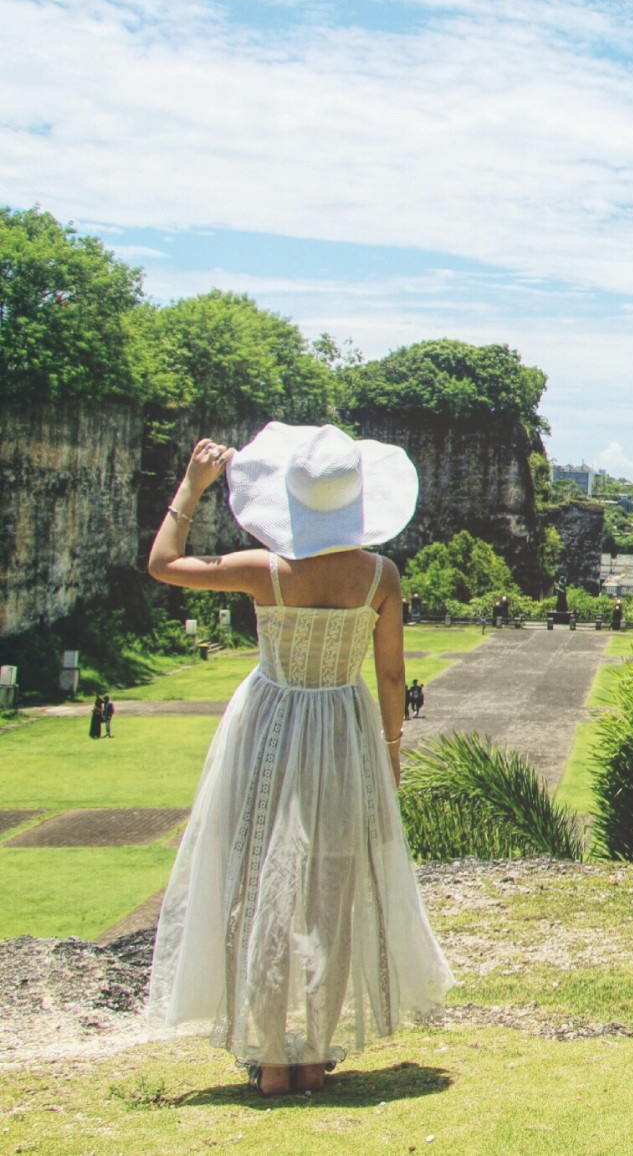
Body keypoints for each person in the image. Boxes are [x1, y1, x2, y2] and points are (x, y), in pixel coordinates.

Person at [143, 424, 451, 1098]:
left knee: (262, 887)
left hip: (273, 724)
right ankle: (311, 1048)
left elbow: (164, 565)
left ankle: (270, 1055)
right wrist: (390, 752)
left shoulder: (266, 570)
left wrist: (190, 489)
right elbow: (392, 678)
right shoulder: (378, 574)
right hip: (343, 727)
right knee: (331, 894)